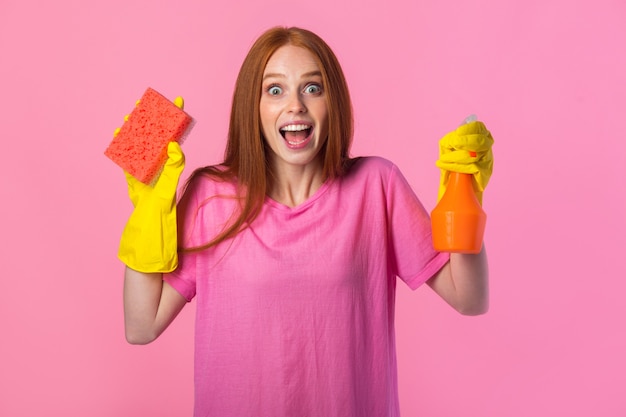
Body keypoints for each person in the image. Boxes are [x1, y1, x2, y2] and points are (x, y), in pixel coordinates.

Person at [119, 26, 493, 417]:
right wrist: (145, 214)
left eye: (312, 88)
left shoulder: (377, 185)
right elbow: (141, 327)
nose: (295, 105)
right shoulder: (210, 196)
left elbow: (470, 299)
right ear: (253, 106)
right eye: (275, 90)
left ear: (334, 101)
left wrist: (466, 195)